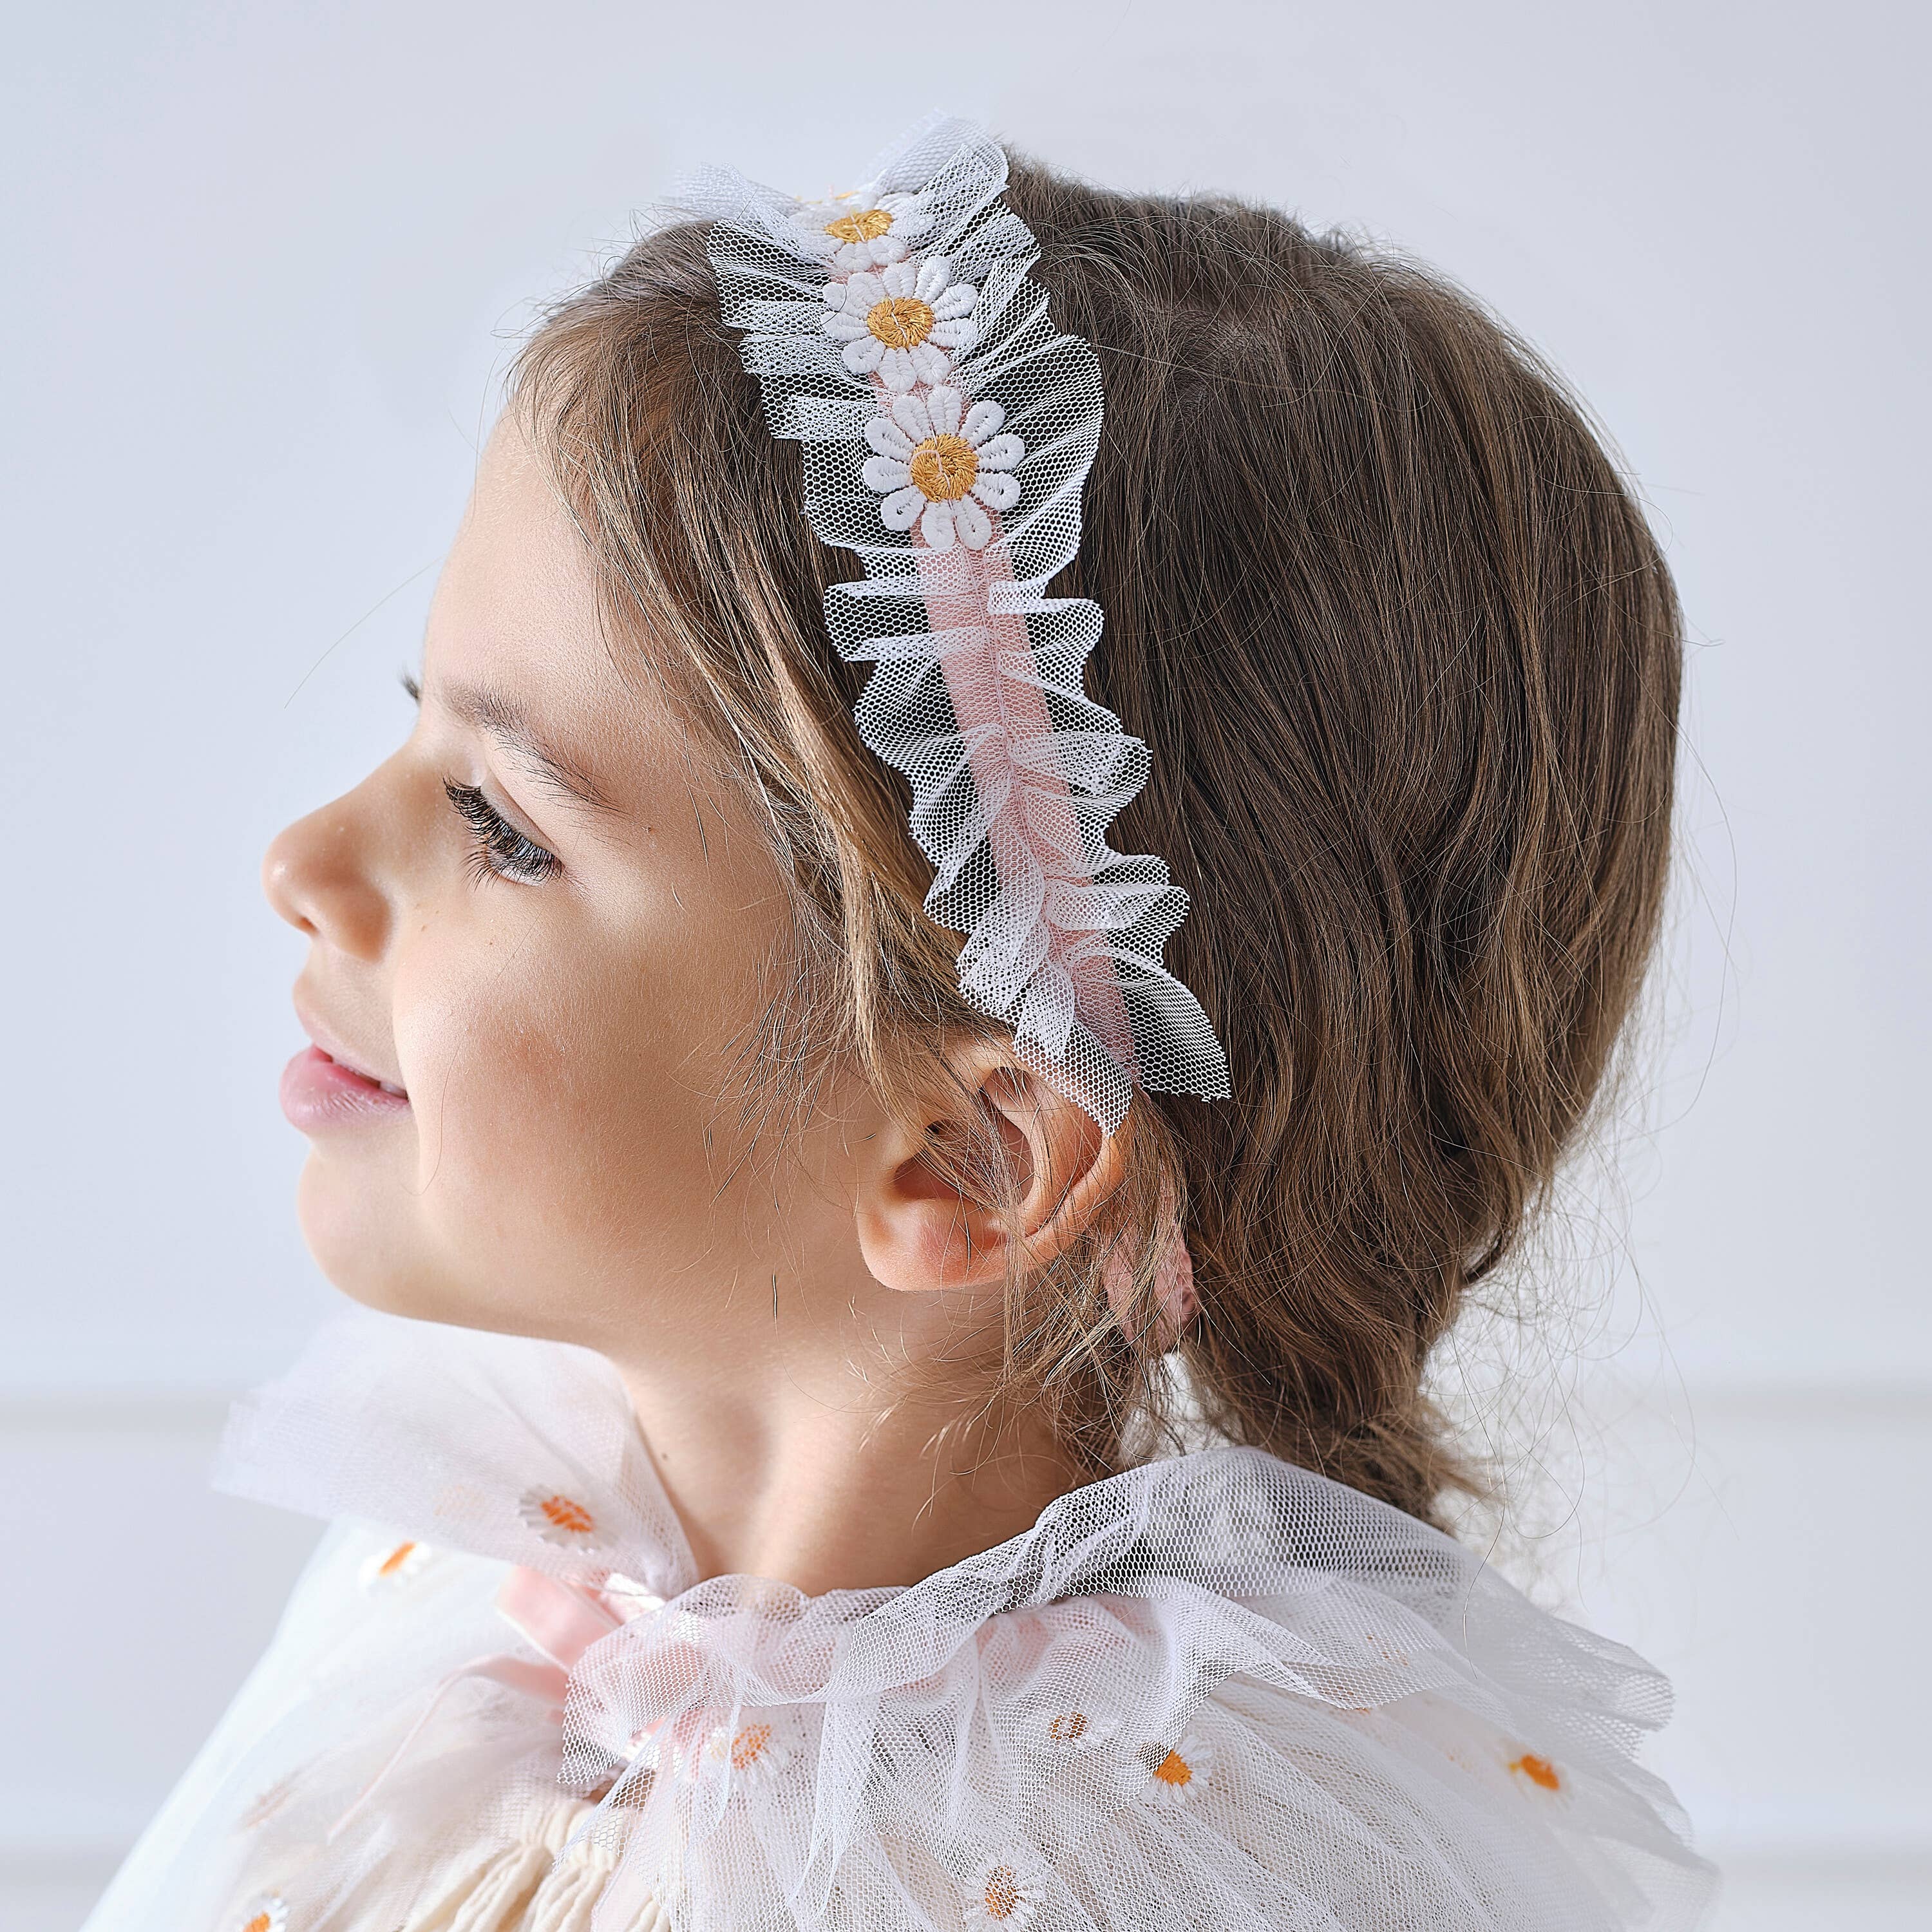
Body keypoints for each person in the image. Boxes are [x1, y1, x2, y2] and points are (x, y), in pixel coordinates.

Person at [82, 118, 1717, 1932]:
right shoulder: (465, 1584)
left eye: (503, 824)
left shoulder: (1102, 1883)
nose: (303, 860)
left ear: (969, 1156)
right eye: (420, 726)